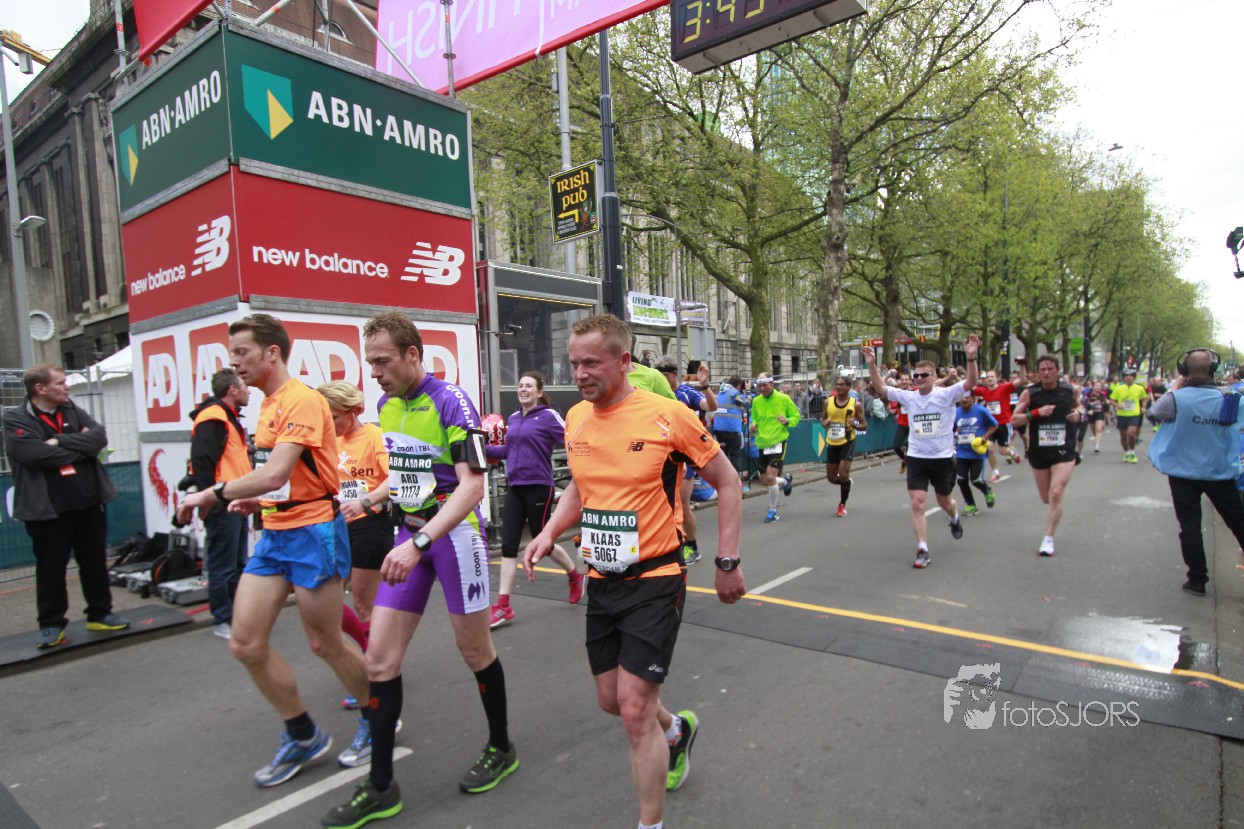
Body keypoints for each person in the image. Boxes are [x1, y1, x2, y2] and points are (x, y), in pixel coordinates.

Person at [522, 314, 745, 829]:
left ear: (624, 361)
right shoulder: (576, 417)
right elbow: (581, 485)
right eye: (574, 363)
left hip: (657, 576)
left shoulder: (668, 416)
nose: (580, 373)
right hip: (603, 578)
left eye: (591, 363)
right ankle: (676, 729)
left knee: (632, 710)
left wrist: (727, 560)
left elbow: (729, 481)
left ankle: (650, 823)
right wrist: (549, 531)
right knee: (612, 700)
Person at [321, 311, 514, 828]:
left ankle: (501, 747)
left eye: (383, 361)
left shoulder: (451, 401)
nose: (375, 373)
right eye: (370, 362)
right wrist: (368, 500)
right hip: (411, 535)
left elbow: (472, 487)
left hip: (455, 537)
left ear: (412, 354)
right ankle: (381, 785)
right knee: (380, 660)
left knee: (475, 650)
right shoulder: (387, 406)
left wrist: (420, 542)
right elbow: (412, 473)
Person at [176, 314, 369, 785]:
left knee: (325, 643)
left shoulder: (302, 399)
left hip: (313, 532)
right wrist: (258, 501)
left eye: (242, 352)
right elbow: (279, 479)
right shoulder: (267, 404)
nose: (234, 362)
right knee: (245, 643)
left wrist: (212, 493)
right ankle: (303, 735)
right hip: (275, 533)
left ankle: (378, 714)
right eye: (231, 354)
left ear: (272, 352)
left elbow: (277, 472)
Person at [4, 364, 129, 648]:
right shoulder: (16, 419)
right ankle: (51, 625)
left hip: (88, 503)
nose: (67, 387)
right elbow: (35, 455)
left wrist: (59, 440)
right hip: (48, 510)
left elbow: (98, 438)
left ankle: (100, 613)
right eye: (60, 383)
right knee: (51, 568)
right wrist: (81, 448)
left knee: (94, 561)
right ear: (40, 388)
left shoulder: (72, 409)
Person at [864, 336, 981, 568]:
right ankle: (922, 548)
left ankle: (954, 516)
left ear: (934, 377)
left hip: (942, 458)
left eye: (923, 375)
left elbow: (971, 382)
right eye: (916, 376)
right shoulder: (909, 397)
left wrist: (970, 357)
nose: (918, 379)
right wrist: (871, 363)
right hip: (917, 457)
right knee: (918, 503)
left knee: (944, 501)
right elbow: (881, 388)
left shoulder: (946, 394)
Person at [485, 370, 584, 628]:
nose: (523, 389)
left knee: (543, 541)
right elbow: (507, 450)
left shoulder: (548, 416)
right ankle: (503, 605)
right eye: (520, 385)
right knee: (509, 545)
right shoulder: (514, 418)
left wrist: (585, 464)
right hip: (515, 486)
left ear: (539, 392)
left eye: (529, 386)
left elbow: (571, 439)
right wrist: (480, 448)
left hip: (539, 486)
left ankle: (574, 576)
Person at [1147, 349, 1244, 596]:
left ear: (1183, 371)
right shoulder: (1231, 398)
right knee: (1238, 521)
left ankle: (1197, 580)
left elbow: (1153, 413)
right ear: (1213, 370)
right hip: (1219, 471)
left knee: (1189, 525)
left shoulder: (1175, 398)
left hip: (1183, 472)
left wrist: (1176, 390)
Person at [317, 381, 391, 630]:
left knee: (363, 604)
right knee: (325, 600)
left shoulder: (374, 436)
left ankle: (374, 652)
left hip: (370, 525)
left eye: (335, 417)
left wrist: (365, 501)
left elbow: (395, 477)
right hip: (337, 525)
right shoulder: (329, 440)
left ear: (354, 411)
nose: (329, 424)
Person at [187, 367, 252, 640]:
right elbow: (202, 462)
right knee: (223, 564)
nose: (249, 391)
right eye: (244, 386)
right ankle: (223, 618)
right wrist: (209, 500)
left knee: (236, 562)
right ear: (232, 390)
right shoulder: (213, 417)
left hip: (235, 499)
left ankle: (237, 616)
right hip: (222, 502)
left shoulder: (227, 416)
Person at [1011, 355, 1083, 557]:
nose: (1046, 372)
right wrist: (1035, 413)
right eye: (1042, 369)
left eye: (1050, 369)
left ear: (1057, 371)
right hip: (1039, 451)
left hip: (1064, 449)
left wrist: (1078, 414)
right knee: (1047, 498)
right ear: (1037, 372)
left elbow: (1079, 406)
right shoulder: (1030, 393)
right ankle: (1055, 506)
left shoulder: (1069, 390)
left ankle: (1048, 537)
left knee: (1056, 492)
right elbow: (1014, 420)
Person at [654, 357, 718, 564]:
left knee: (682, 504)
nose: (659, 380)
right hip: (660, 456)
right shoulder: (653, 395)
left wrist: (704, 385)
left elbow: (711, 405)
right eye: (657, 376)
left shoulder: (686, 393)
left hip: (683, 455)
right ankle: (669, 546)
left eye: (663, 376)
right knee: (662, 506)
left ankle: (692, 546)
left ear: (674, 375)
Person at [750, 372, 801, 523]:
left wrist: (787, 421)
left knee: (771, 477)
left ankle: (773, 511)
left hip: (778, 441)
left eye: (765, 385)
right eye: (760, 386)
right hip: (763, 442)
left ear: (772, 384)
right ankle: (785, 481)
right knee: (764, 479)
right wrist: (753, 426)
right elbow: (755, 418)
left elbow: (796, 416)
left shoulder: (783, 398)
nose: (762, 389)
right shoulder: (756, 401)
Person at [821, 374, 867, 517]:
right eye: (838, 384)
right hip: (832, 442)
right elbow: (823, 421)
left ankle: (842, 505)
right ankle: (846, 483)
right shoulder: (828, 402)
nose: (839, 387)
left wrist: (855, 425)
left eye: (842, 385)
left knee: (843, 473)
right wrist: (825, 423)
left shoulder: (855, 404)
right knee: (831, 478)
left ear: (849, 387)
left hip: (847, 441)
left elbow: (864, 425)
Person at [952, 394, 998, 515]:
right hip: (961, 451)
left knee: (976, 479)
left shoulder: (981, 411)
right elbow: (951, 428)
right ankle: (971, 505)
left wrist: (985, 437)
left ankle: (987, 491)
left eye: (967, 397)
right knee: (961, 479)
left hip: (977, 452)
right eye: (961, 397)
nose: (964, 399)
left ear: (972, 398)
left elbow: (994, 425)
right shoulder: (955, 412)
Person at [973, 370, 1021, 482]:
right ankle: (995, 472)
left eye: (992, 377)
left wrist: (1022, 367)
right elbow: (967, 387)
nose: (990, 379)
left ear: (997, 378)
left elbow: (1021, 381)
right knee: (989, 447)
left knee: (1002, 451)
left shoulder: (1004, 388)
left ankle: (1012, 452)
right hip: (990, 425)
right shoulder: (984, 391)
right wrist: (955, 377)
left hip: (1004, 424)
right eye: (988, 377)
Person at [713, 376, 748, 486]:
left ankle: (723, 483)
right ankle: (735, 484)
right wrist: (747, 391)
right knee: (735, 457)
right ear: (738, 385)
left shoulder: (721, 392)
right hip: (732, 429)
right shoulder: (734, 393)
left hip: (718, 429)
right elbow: (744, 402)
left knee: (722, 458)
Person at [1110, 369, 1148, 463]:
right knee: (1123, 436)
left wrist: (1143, 407)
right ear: (1124, 378)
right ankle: (1126, 452)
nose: (1128, 378)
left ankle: (1132, 452)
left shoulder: (1139, 388)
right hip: (1122, 415)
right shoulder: (1118, 388)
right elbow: (1112, 400)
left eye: (1130, 376)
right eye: (1126, 376)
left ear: (1134, 378)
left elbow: (1145, 398)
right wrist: (1117, 405)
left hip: (1134, 414)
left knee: (1131, 433)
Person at [888, 374, 911, 473]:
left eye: (906, 379)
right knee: (896, 446)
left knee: (911, 450)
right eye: (902, 379)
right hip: (902, 424)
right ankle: (904, 459)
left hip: (913, 425)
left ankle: (911, 473)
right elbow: (892, 407)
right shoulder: (897, 393)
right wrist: (892, 411)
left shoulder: (915, 392)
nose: (904, 381)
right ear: (899, 381)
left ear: (910, 381)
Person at [1083, 379, 1110, 453]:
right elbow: (1085, 403)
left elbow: (1105, 401)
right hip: (1091, 413)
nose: (1098, 387)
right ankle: (1097, 439)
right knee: (1093, 429)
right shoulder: (1089, 394)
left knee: (1098, 429)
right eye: (1096, 386)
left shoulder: (1103, 393)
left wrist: (1108, 402)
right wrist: (1092, 405)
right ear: (1093, 386)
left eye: (1099, 386)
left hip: (1100, 412)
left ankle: (1097, 445)